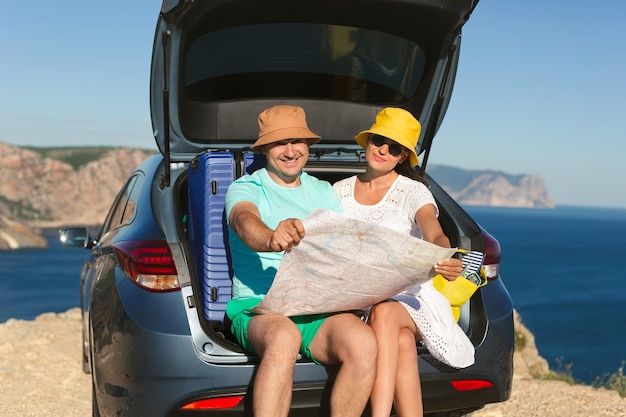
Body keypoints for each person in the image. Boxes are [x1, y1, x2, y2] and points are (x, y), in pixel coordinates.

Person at [224, 105, 378, 417]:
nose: (291, 150)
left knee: (363, 342)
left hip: (314, 309)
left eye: (298, 141)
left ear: (307, 146)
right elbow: (244, 221)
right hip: (258, 307)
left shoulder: (323, 192)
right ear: (266, 147)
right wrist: (270, 237)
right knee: (284, 336)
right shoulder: (245, 187)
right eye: (281, 142)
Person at [333, 107, 475, 417]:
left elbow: (435, 234)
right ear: (368, 141)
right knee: (401, 344)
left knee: (385, 313)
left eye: (394, 147)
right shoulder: (339, 191)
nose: (383, 149)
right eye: (379, 140)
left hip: (408, 299)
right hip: (356, 299)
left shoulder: (413, 191)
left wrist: (443, 255)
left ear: (402, 157)